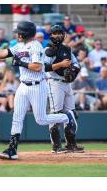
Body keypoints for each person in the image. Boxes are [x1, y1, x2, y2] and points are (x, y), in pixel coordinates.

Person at [0, 21, 78, 160]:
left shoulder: (36, 46)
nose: (17, 34)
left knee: (41, 119)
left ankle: (67, 117)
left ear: (25, 33)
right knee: (17, 118)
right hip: (23, 86)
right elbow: (5, 52)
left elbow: (38, 67)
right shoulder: (20, 45)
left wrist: (21, 63)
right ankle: (12, 149)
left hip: (37, 86)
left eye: (19, 32)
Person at [43, 24, 84, 153]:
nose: (58, 35)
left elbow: (76, 64)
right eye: (55, 33)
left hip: (67, 84)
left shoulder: (67, 49)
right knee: (56, 114)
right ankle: (56, 146)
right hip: (55, 83)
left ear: (64, 34)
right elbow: (45, 67)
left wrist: (73, 72)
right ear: (51, 35)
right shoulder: (48, 50)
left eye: (60, 33)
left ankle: (70, 144)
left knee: (71, 113)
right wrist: (61, 64)